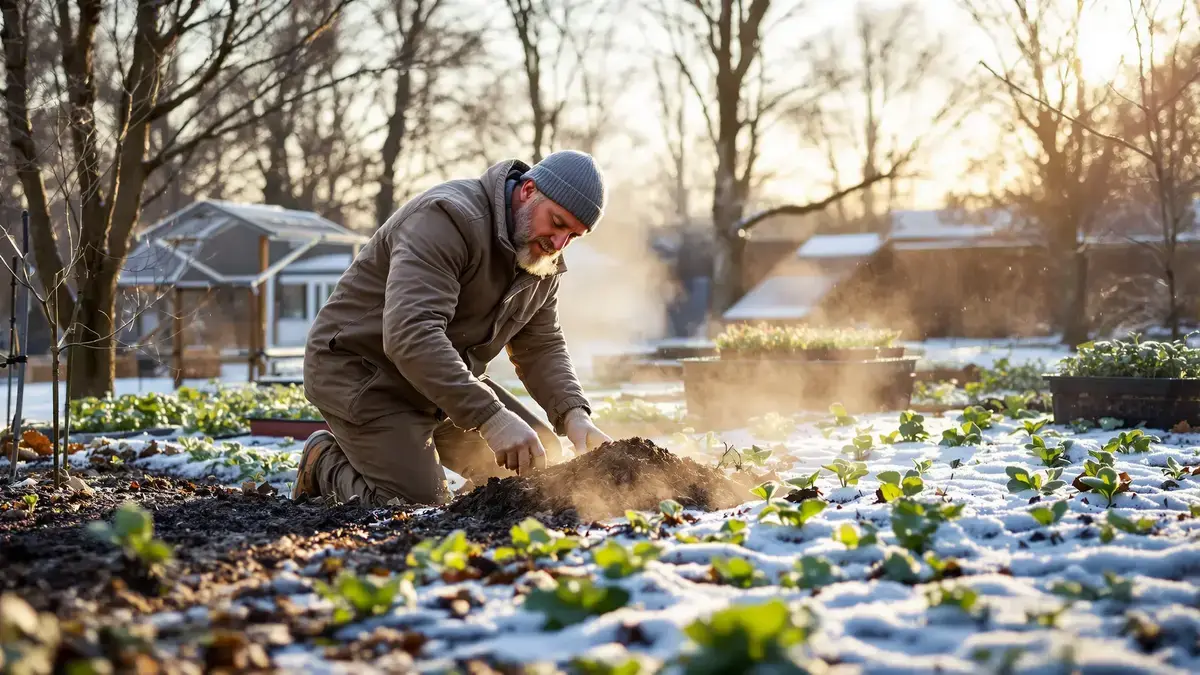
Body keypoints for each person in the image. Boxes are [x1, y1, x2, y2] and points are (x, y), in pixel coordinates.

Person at [291, 150, 614, 506]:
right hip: (364, 375)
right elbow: (411, 334)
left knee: (537, 466)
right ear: (527, 191)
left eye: (573, 236)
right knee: (417, 508)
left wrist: (573, 415)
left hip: (435, 383)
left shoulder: (541, 258)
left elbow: (541, 345)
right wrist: (490, 417)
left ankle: (426, 478)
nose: (558, 244)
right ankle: (324, 462)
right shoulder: (447, 219)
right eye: (556, 222)